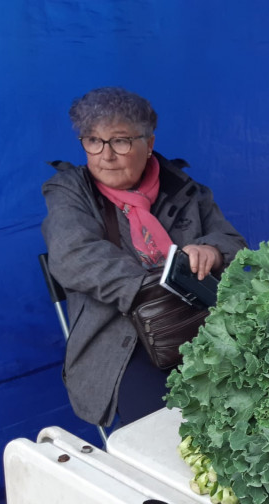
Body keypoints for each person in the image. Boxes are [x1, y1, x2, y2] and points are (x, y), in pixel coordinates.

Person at [42, 87, 248, 428]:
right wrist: (161, 288)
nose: (105, 155)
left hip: (202, 327)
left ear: (149, 143)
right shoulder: (69, 191)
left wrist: (209, 251)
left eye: (120, 141)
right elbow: (73, 256)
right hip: (119, 341)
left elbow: (231, 241)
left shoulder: (184, 188)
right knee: (165, 431)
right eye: (93, 140)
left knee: (247, 406)